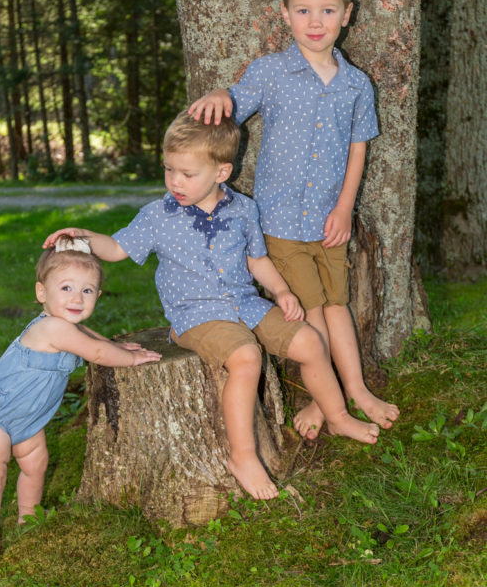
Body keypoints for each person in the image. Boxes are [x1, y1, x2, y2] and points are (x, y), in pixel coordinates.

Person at [43, 111, 381, 504]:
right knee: (245, 356)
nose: (175, 182)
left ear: (222, 172)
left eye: (187, 174)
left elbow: (257, 260)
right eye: (169, 170)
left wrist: (283, 291)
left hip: (245, 304)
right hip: (196, 316)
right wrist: (83, 237)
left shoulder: (243, 210)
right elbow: (117, 249)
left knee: (309, 341)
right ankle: (243, 456)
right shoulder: (158, 216)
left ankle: (337, 417)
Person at [189, 0, 399, 441]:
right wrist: (221, 91)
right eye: (303, 11)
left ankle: (357, 390)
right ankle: (322, 402)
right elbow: (233, 103)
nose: (315, 22)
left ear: (347, 14)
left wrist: (345, 207)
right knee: (307, 314)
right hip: (280, 224)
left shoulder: (355, 85)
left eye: (327, 10)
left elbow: (357, 148)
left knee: (338, 306)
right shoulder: (271, 72)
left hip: (331, 220)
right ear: (285, 15)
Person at [0, 236, 161, 570]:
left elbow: (91, 337)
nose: (76, 298)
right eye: (66, 288)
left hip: (27, 421)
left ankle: (28, 519)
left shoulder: (67, 326)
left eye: (87, 291)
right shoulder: (51, 327)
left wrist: (122, 346)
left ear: (97, 295)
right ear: (42, 293)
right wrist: (129, 360)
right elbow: (96, 352)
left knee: (35, 465)